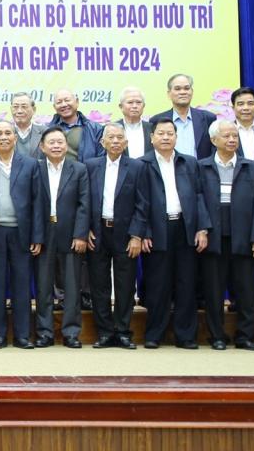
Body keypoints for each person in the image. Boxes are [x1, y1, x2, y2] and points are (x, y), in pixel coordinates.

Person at [134, 117, 212, 349]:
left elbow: (199, 196)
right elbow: (140, 201)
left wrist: (202, 228)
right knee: (158, 284)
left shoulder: (189, 163)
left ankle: (186, 336)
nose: (166, 137)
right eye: (161, 133)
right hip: (156, 230)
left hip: (185, 229)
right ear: (152, 137)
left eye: (170, 133)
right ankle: (154, 334)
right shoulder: (142, 164)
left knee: (186, 283)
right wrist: (143, 231)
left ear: (176, 137)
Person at [195, 120, 254, 351]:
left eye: (234, 136)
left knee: (246, 290)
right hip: (213, 237)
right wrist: (202, 228)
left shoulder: (251, 167)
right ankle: (217, 336)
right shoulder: (201, 166)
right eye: (226, 136)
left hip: (243, 237)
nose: (232, 140)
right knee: (214, 291)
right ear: (214, 141)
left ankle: (245, 336)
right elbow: (197, 200)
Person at [84, 122, 146, 349]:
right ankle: (105, 332)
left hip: (126, 234)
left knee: (125, 285)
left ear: (126, 142)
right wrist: (86, 229)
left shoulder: (137, 167)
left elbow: (143, 204)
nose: (116, 141)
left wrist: (137, 235)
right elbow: (85, 201)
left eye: (120, 137)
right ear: (102, 142)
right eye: (111, 137)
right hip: (98, 231)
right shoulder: (90, 166)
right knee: (99, 285)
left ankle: (123, 332)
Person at [0, 120, 42, 349]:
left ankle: (22, 335)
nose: (4, 137)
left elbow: (38, 203)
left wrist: (37, 236)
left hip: (21, 233)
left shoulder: (30, 164)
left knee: (22, 285)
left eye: (9, 133)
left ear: (15, 138)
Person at [32, 127, 91, 348]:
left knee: (72, 286)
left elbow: (84, 205)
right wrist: (36, 236)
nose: (56, 146)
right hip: (45, 234)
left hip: (70, 234)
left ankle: (71, 332)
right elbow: (33, 205)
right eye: (51, 142)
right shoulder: (35, 169)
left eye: (60, 142)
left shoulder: (79, 169)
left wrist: (80, 234)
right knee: (43, 286)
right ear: (42, 147)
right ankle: (45, 332)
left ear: (66, 146)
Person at [148, 74, 215, 160]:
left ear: (192, 92)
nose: (183, 92)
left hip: (200, 171)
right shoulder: (156, 120)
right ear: (169, 94)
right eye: (177, 89)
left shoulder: (208, 118)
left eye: (187, 88)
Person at [49, 89, 103, 162]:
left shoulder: (96, 129)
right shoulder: (47, 130)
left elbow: (101, 160)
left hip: (86, 172)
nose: (64, 105)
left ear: (77, 102)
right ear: (54, 107)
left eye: (67, 100)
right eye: (59, 102)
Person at [116, 87, 153, 159]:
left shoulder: (152, 128)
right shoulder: (112, 129)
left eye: (138, 102)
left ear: (144, 106)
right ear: (121, 106)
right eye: (130, 102)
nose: (134, 106)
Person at [9, 92, 46, 159]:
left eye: (24, 107)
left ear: (34, 110)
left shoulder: (46, 132)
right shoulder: (4, 133)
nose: (19, 111)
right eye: (15, 107)